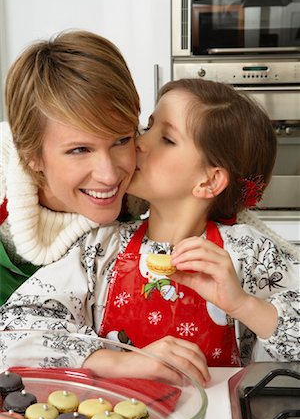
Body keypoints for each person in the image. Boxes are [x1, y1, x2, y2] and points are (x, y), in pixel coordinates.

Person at [0, 79, 299, 386]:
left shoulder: (250, 253)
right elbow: (12, 332)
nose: (138, 141)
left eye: (167, 138)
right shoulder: (101, 248)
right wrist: (117, 361)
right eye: (149, 126)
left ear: (209, 181)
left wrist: (243, 305)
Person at [0, 28, 141, 306]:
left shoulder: (153, 174)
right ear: (32, 155)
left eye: (121, 140)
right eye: (80, 150)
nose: (109, 175)